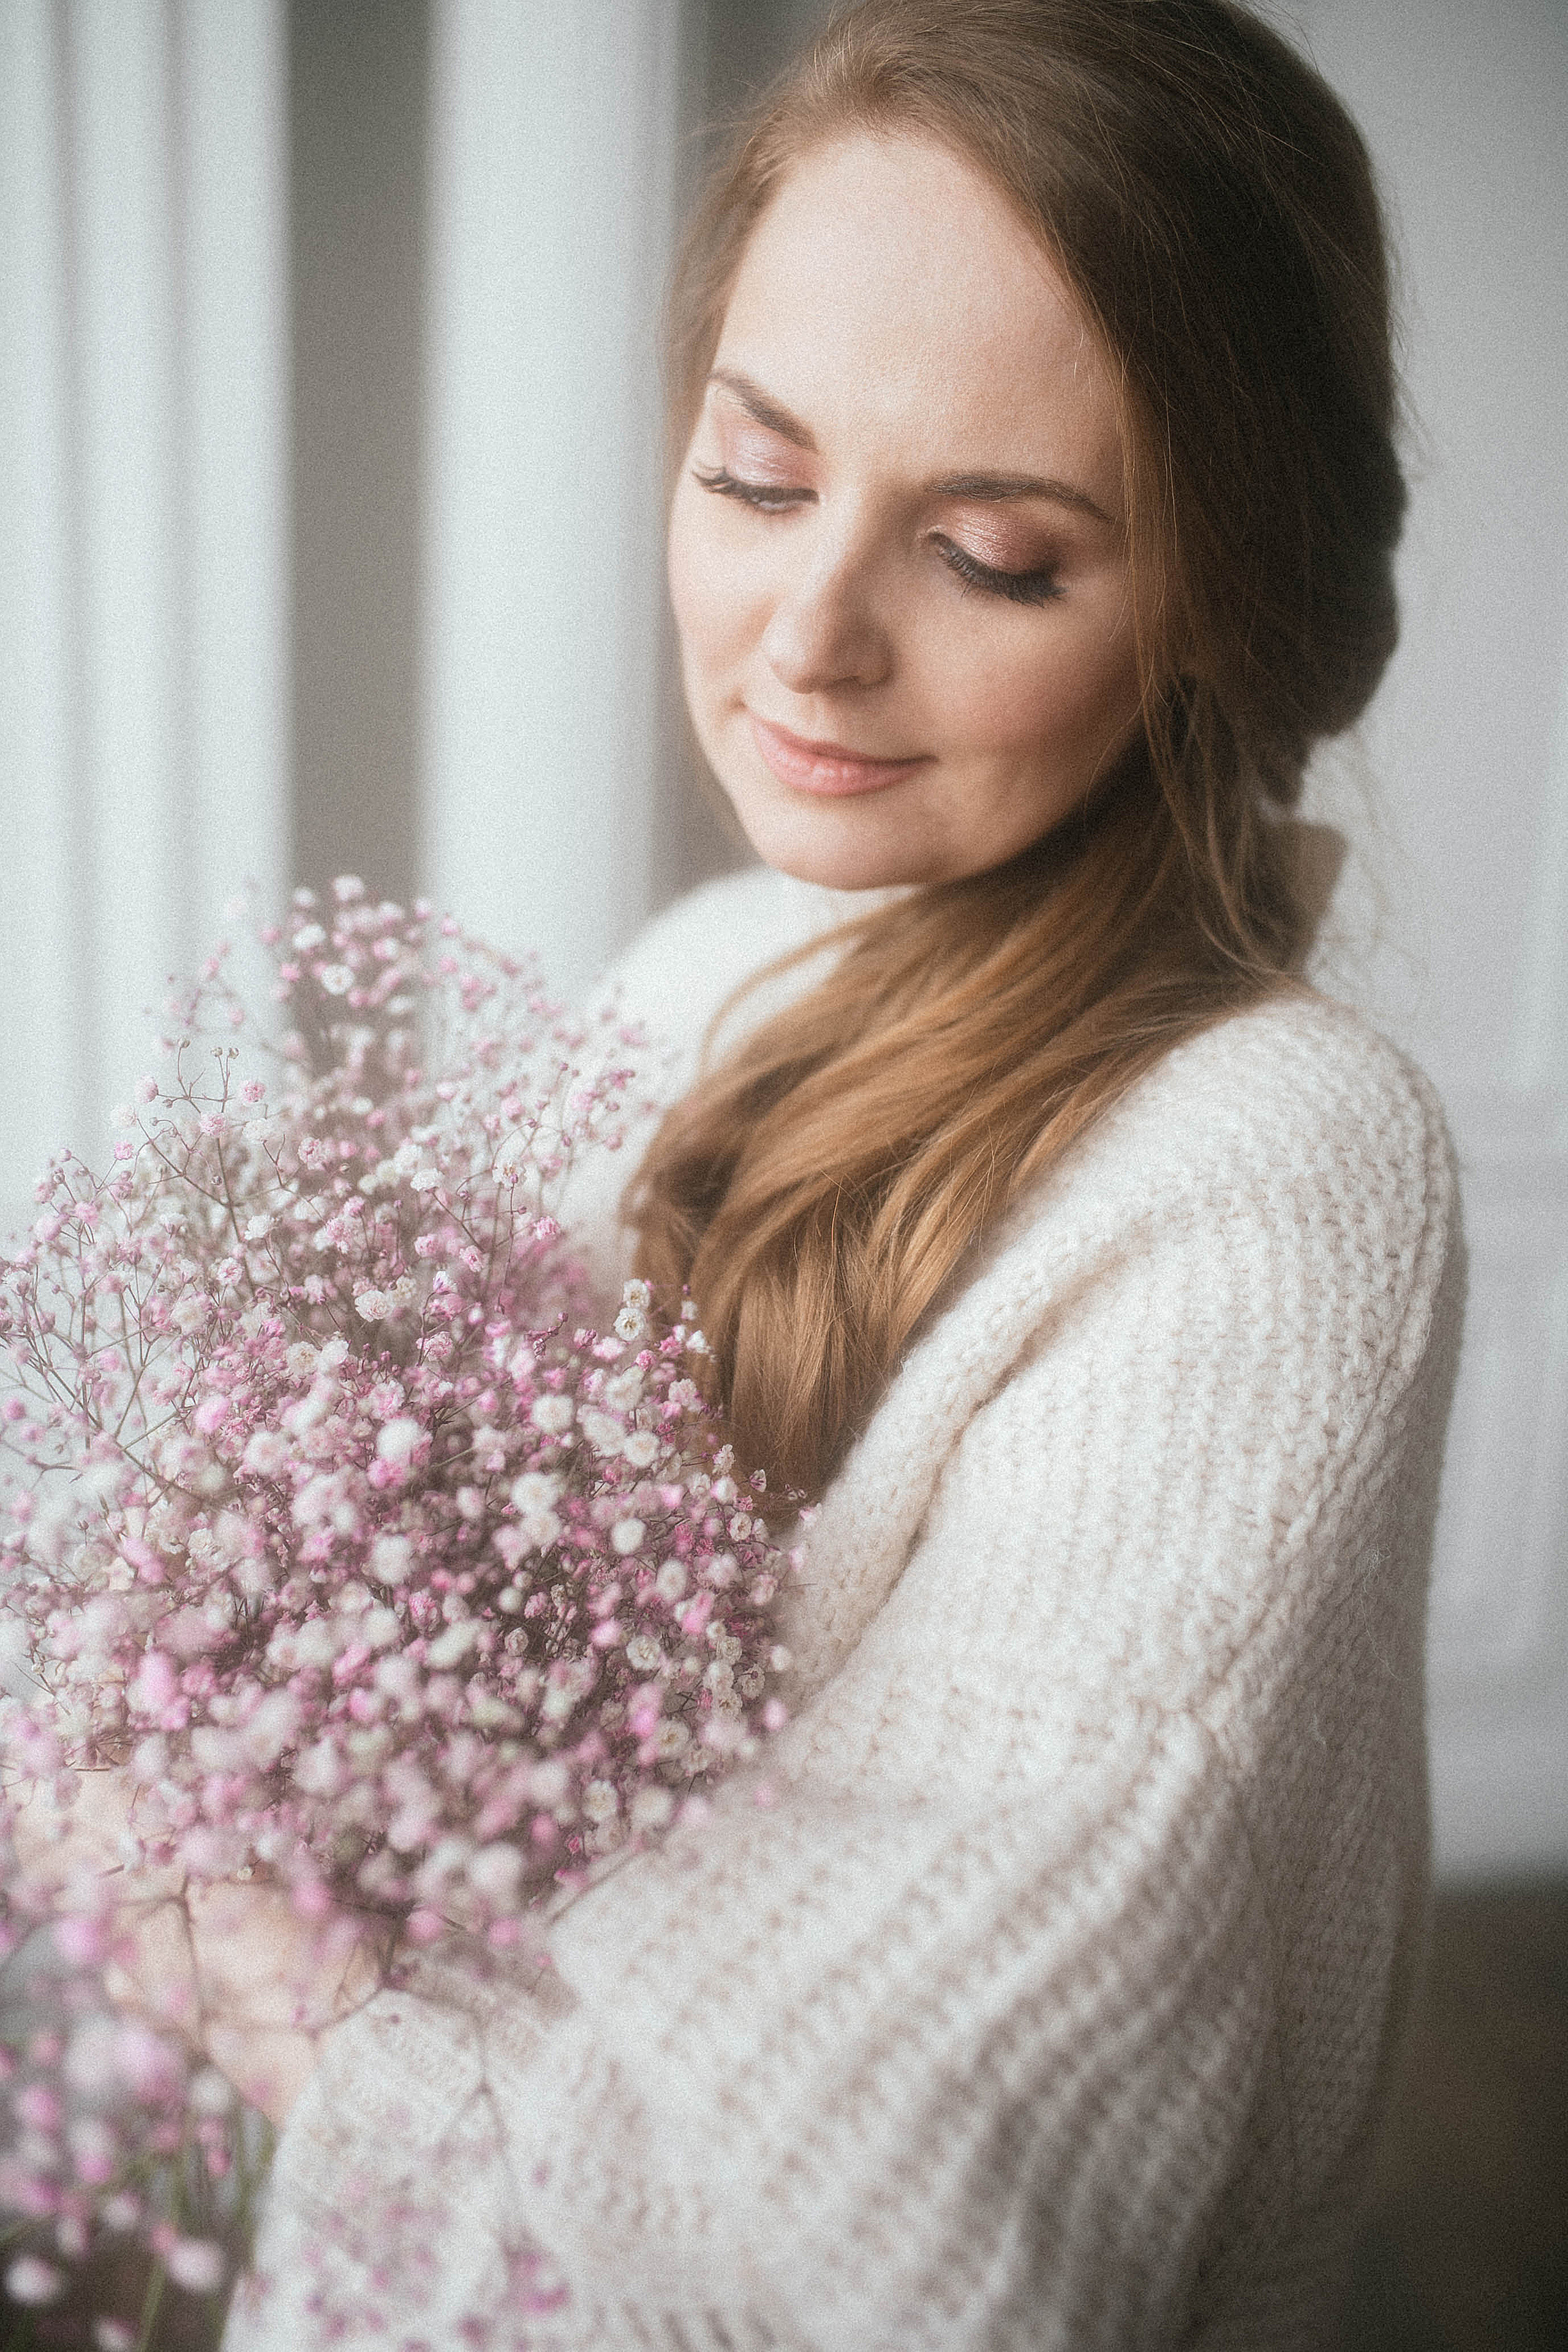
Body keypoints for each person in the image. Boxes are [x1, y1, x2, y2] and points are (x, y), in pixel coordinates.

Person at [62, 2, 1472, 2343]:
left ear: (1222, 600)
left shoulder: (1280, 1177)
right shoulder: (710, 968)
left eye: (998, 556)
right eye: (754, 475)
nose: (808, 640)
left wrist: (282, 1994)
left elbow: (876, 2247)